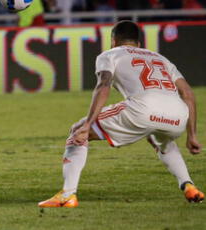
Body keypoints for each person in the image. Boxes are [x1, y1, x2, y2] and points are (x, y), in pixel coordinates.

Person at [39, 20, 204, 208]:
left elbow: (103, 86)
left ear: (113, 41)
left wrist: (87, 125)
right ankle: (188, 185)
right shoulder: (161, 59)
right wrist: (192, 135)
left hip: (143, 109)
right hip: (178, 116)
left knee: (77, 131)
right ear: (139, 43)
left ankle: (67, 195)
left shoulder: (110, 54)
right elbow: (188, 94)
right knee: (162, 140)